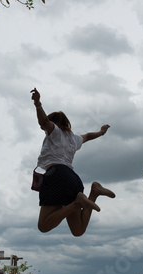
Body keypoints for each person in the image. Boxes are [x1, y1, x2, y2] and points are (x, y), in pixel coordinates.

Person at [31, 88, 115, 237]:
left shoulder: (54, 131)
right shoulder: (74, 138)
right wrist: (101, 132)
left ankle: (77, 203)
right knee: (78, 231)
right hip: (73, 180)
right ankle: (94, 192)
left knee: (43, 226)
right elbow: (88, 136)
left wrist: (38, 104)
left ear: (54, 123)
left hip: (55, 176)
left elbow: (43, 121)